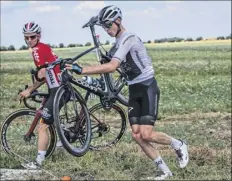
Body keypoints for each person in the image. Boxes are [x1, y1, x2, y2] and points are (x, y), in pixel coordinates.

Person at [66, 5, 189, 180]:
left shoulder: (129, 38)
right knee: (137, 135)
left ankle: (179, 144)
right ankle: (166, 172)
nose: (107, 29)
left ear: (118, 21)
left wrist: (82, 69)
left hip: (147, 87)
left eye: (108, 25)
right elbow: (105, 65)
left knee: (146, 134)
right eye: (104, 27)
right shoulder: (116, 44)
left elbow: (112, 67)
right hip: (134, 89)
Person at [19, 21, 62, 169]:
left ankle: (38, 163)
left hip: (58, 89)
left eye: (32, 37)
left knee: (43, 125)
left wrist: (30, 89)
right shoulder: (43, 47)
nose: (29, 40)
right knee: (49, 114)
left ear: (38, 36)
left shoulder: (37, 50)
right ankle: (62, 142)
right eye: (26, 37)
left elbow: (43, 75)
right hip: (58, 87)